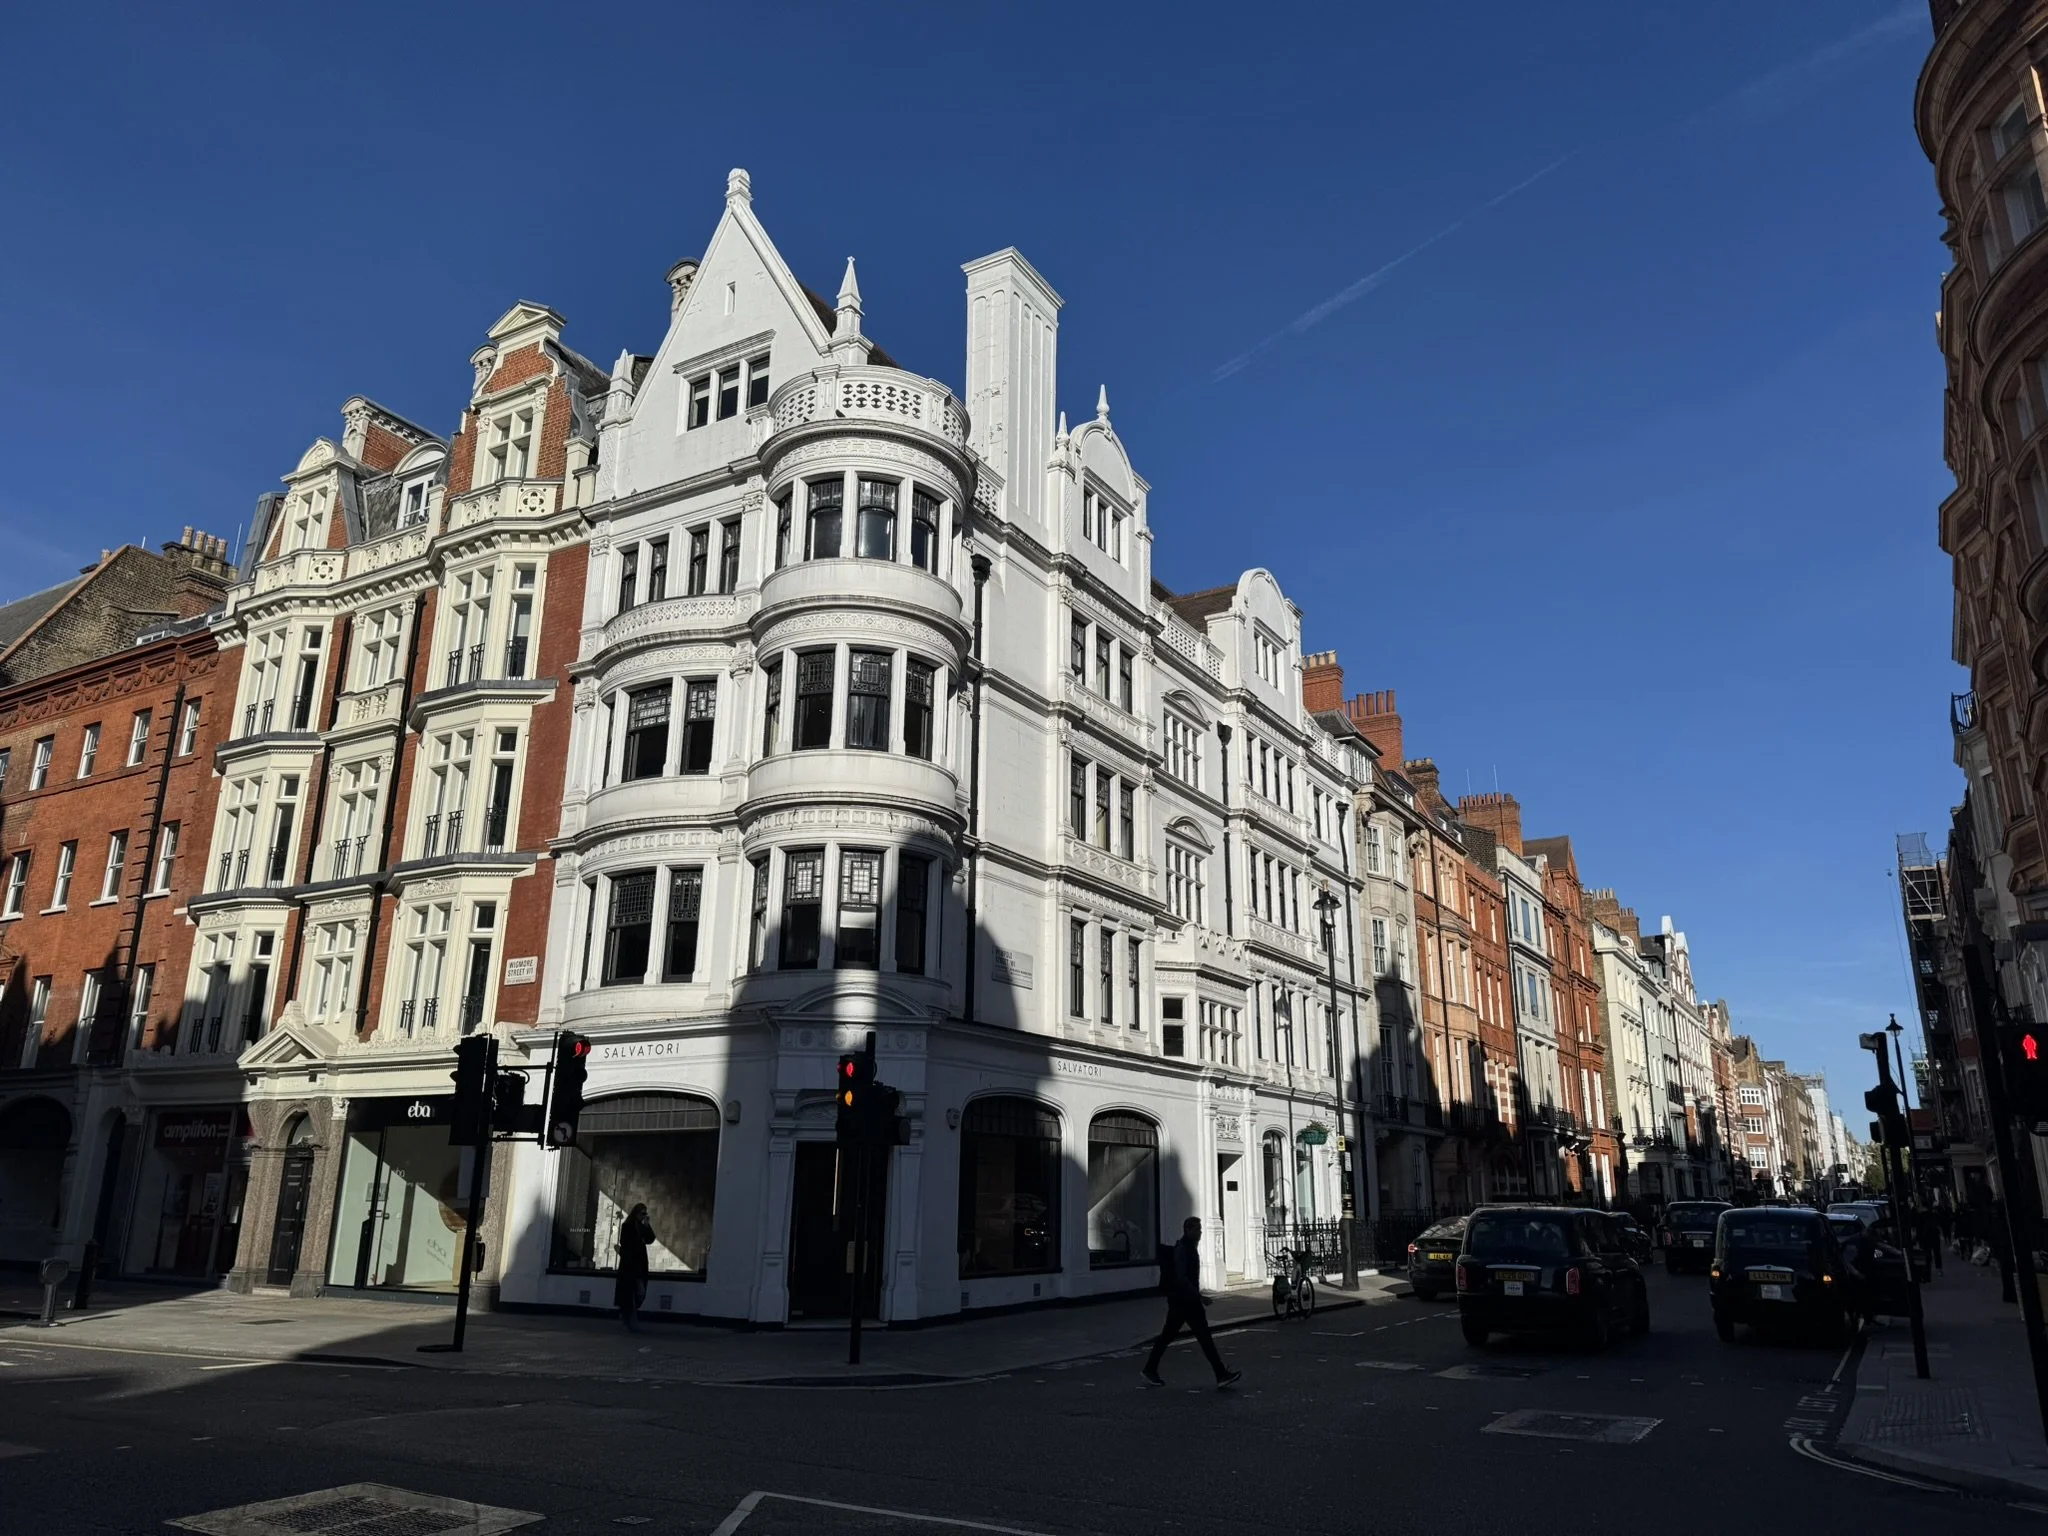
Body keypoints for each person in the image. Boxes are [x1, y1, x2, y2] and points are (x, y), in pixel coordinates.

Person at [1142, 1216, 1241, 1390]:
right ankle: (1220, 1374)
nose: (1200, 1232)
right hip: (1185, 1301)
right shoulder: (1183, 1248)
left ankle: (1150, 1368)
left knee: (1173, 1336)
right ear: (1187, 1230)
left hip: (1183, 1300)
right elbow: (1181, 1277)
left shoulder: (1189, 1247)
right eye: (1197, 1229)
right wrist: (1199, 1296)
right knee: (1202, 1337)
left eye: (1200, 1229)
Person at [615, 1203, 655, 1332]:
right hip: (629, 1265)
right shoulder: (627, 1226)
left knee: (639, 1292)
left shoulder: (642, 1227)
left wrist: (647, 1225)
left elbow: (650, 1239)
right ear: (636, 1213)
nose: (643, 1216)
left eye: (645, 1214)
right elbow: (626, 1244)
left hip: (639, 1265)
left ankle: (628, 1318)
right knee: (630, 1294)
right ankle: (630, 1321)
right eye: (642, 1214)